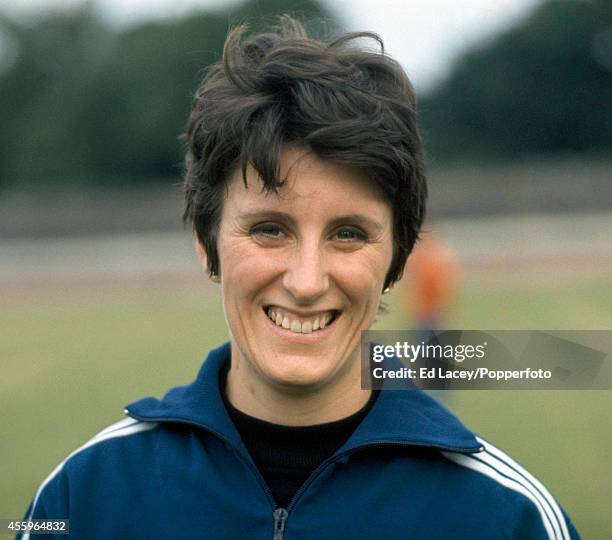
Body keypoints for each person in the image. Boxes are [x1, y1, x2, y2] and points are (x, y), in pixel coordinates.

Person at [19, 16, 579, 540]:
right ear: (206, 241)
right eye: (269, 229)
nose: (307, 281)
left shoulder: (509, 517)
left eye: (349, 234)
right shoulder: (80, 501)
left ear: (398, 257)